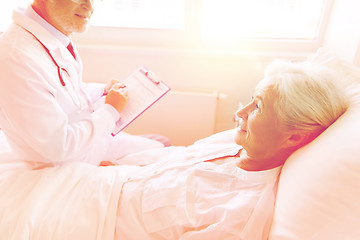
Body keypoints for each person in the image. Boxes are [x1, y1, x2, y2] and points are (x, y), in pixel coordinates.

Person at [107, 59, 350, 239]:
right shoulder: (233, 142)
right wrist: (119, 166)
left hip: (96, 222)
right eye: (251, 100)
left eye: (258, 107)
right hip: (108, 180)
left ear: (294, 136)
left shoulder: (238, 216)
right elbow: (174, 157)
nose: (239, 113)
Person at [0, 0, 168, 169]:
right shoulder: (16, 56)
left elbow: (62, 91)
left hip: (84, 142)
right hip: (67, 161)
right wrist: (110, 111)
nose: (91, 6)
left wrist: (102, 91)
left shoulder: (52, 33)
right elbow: (58, 146)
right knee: (163, 147)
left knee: (160, 141)